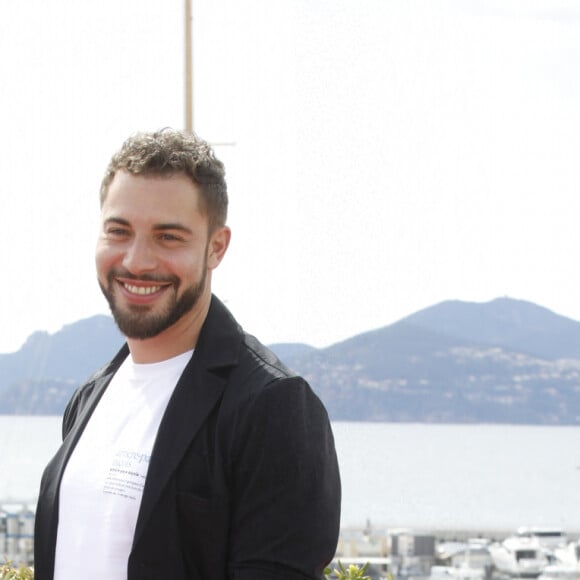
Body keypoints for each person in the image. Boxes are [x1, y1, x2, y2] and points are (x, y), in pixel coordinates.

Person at [34, 128, 341, 580]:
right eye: (119, 231)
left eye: (168, 237)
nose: (137, 260)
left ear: (216, 247)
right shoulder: (90, 397)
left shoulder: (273, 406)